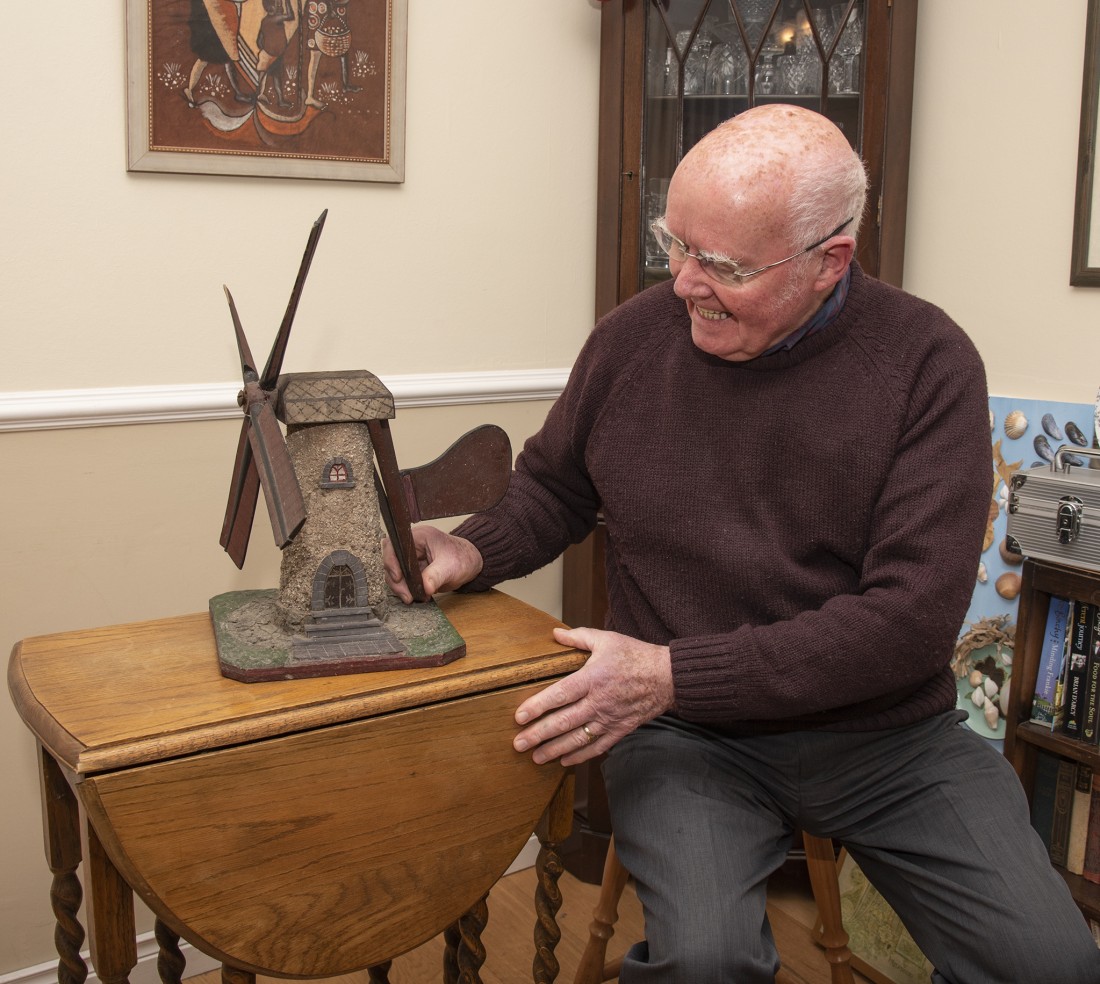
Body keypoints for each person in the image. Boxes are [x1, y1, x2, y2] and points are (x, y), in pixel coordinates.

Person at [383, 105, 1100, 983]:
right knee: (705, 962)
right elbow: (557, 487)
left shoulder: (928, 365)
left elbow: (907, 623)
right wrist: (475, 550)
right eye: (673, 243)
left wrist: (667, 670)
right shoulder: (631, 341)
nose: (683, 282)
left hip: (887, 740)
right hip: (687, 738)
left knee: (1052, 963)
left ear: (828, 261)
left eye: (720, 264)